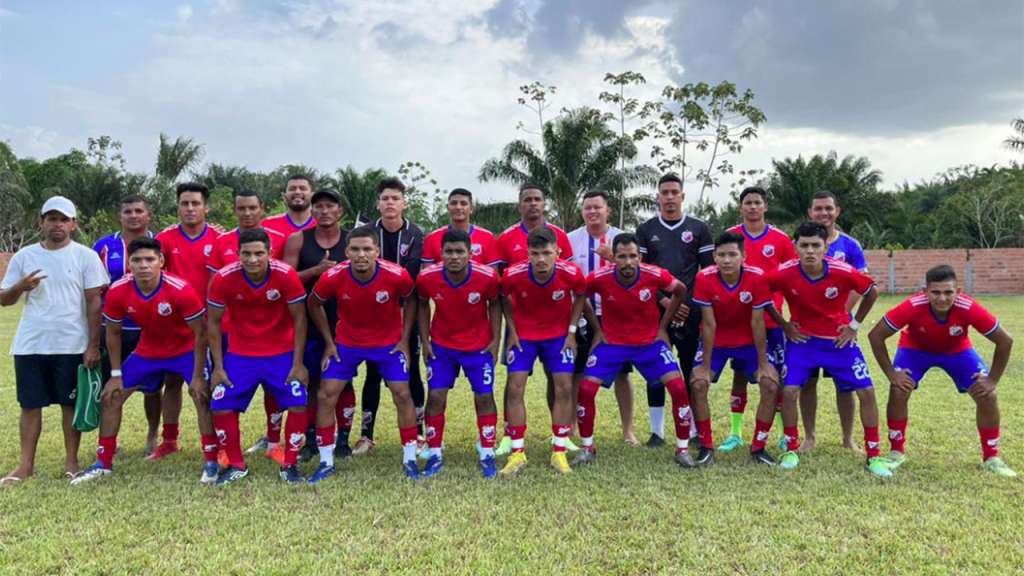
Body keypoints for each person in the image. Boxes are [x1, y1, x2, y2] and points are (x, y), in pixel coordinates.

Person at [71, 238, 215, 484]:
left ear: (161, 261)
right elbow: (113, 333)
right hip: (148, 351)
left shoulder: (180, 289)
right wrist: (115, 376)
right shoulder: (118, 290)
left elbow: (200, 333)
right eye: (137, 260)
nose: (143, 265)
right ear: (130, 263)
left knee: (202, 396)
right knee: (111, 396)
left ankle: (212, 460)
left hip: (186, 350)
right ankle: (103, 462)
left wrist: (199, 375)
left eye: (149, 260)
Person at [764, 222, 890, 477]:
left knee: (866, 391)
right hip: (803, 344)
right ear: (796, 247)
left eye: (815, 245)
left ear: (825, 248)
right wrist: (784, 324)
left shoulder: (842, 271)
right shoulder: (784, 272)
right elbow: (761, 294)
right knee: (789, 391)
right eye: (804, 245)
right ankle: (791, 448)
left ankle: (874, 455)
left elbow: (871, 291)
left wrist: (853, 325)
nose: (810, 250)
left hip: (839, 343)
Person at [868, 265, 1015, 477]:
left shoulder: (968, 307)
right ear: (925, 291)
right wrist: (892, 374)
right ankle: (896, 452)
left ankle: (992, 456)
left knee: (988, 395)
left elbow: (1005, 340)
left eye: (948, 292)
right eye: (936, 292)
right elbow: (875, 335)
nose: (942, 298)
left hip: (957, 351)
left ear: (959, 291)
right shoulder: (912, 305)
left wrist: (992, 379)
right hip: (915, 350)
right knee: (898, 389)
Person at [1, 196, 108, 485]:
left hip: (72, 344)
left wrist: (93, 344)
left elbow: (94, 302)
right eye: (51, 219)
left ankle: (71, 462)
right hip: (31, 344)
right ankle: (25, 466)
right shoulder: (24, 257)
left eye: (63, 219)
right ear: (41, 222)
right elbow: (4, 300)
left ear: (73, 224)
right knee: (30, 405)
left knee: (69, 405)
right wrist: (20, 286)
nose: (57, 225)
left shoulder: (85, 256)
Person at [306, 226, 419, 481]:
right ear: (346, 252)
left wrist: (404, 339)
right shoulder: (333, 276)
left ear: (377, 251)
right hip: (346, 343)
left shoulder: (396, 274)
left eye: (367, 249)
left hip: (388, 344)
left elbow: (412, 299)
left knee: (402, 394)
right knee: (326, 396)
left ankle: (410, 458)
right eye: (355, 249)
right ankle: (325, 462)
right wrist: (329, 342)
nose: (361, 254)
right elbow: (314, 303)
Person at [574, 233, 696, 468]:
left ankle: (682, 449)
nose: (628, 262)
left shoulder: (654, 274)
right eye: (622, 256)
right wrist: (597, 329)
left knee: (679, 388)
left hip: (649, 343)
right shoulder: (599, 277)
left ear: (640, 257)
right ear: (614, 258)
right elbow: (580, 295)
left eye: (632, 256)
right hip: (612, 344)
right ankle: (587, 447)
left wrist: (663, 327)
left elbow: (680, 290)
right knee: (586, 390)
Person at [206, 228, 309, 486]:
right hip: (241, 354)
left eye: (259, 253)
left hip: (281, 352)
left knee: (298, 401)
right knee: (221, 404)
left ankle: (290, 465)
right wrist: (218, 367)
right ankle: (236, 464)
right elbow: (214, 324)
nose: (252, 259)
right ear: (238, 254)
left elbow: (299, 319)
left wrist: (298, 363)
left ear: (270, 253)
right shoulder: (223, 278)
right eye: (246, 254)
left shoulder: (286, 275)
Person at [207, 189, 289, 465]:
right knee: (227, 390)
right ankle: (226, 449)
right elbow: (213, 284)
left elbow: (285, 282)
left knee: (273, 389)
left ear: (262, 209)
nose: (247, 213)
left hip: (272, 331)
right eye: (241, 208)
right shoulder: (221, 241)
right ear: (235, 210)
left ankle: (273, 441)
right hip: (233, 331)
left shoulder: (278, 239)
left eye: (252, 208)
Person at [494, 183, 575, 455]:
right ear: (520, 204)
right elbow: (501, 286)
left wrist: (572, 329)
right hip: (521, 325)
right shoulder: (505, 238)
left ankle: (560, 435)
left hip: (557, 326)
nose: (532, 204)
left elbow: (573, 280)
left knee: (558, 379)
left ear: (544, 203)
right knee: (514, 380)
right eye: (527, 199)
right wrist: (511, 326)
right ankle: (509, 434)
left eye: (537, 199)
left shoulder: (560, 236)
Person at [498, 227, 587, 476]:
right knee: (515, 387)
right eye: (535, 253)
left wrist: (571, 331)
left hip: (558, 338)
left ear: (557, 252)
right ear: (527, 253)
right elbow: (502, 296)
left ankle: (559, 451)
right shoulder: (513, 274)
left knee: (564, 387)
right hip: (524, 337)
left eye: (546, 253)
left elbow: (581, 295)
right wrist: (512, 330)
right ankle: (517, 453)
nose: (540, 259)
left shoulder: (571, 273)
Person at [416, 228, 502, 478]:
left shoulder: (487, 277)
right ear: (441, 254)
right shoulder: (427, 277)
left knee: (484, 397)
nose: (454, 257)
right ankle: (435, 454)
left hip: (478, 347)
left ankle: (487, 453)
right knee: (435, 397)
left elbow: (495, 304)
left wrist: (495, 340)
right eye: (448, 252)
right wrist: (425, 340)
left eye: (459, 252)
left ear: (470, 253)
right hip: (442, 346)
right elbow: (421, 304)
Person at [636, 173, 713, 448]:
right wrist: (664, 300)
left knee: (690, 370)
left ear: (682, 196)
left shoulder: (699, 228)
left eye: (674, 192)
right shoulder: (645, 230)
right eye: (664, 192)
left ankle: (692, 430)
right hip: (656, 311)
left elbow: (708, 273)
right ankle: (657, 432)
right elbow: (639, 273)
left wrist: (692, 307)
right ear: (657, 197)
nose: (669, 197)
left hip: (690, 312)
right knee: (656, 371)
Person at [690, 231, 780, 466]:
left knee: (770, 384)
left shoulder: (757, 277)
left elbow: (757, 322)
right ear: (714, 257)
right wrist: (705, 367)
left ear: (744, 256)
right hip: (716, 342)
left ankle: (758, 447)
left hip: (748, 342)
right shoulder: (704, 278)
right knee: (698, 383)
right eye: (721, 255)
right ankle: (706, 447)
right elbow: (708, 324)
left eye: (732, 254)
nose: (727, 260)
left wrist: (763, 365)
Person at [353, 177, 426, 457]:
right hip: (372, 315)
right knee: (372, 374)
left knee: (412, 373)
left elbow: (411, 276)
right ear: (378, 203)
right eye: (385, 198)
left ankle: (418, 433)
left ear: (404, 203)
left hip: (406, 313)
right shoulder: (367, 232)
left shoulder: (416, 234)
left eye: (395, 198)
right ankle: (366, 435)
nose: (390, 203)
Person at [721, 186, 796, 452]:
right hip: (737, 321)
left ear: (765, 206)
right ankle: (735, 432)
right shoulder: (731, 236)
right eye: (747, 203)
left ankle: (777, 433)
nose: (752, 207)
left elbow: (792, 276)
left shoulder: (781, 239)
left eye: (757, 203)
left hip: (771, 321)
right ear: (741, 207)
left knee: (775, 377)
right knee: (740, 375)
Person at [93, 195, 164, 457]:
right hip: (111, 328)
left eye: (138, 211)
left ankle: (152, 435)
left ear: (149, 215)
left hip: (150, 328)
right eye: (127, 211)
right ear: (119, 215)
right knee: (111, 385)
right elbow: (92, 288)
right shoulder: (103, 245)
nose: (133, 216)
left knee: (153, 388)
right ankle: (111, 439)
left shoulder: (161, 242)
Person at [283, 188, 351, 461]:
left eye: (330, 206)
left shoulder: (351, 240)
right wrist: (315, 271)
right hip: (309, 321)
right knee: (310, 382)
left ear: (340, 212)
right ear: (312, 211)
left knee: (342, 383)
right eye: (318, 206)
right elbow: (286, 281)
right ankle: (311, 439)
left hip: (345, 320)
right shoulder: (298, 240)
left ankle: (343, 439)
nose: (324, 211)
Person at [801, 190, 869, 452]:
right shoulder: (803, 242)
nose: (823, 213)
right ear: (810, 213)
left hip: (840, 329)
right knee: (807, 382)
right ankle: (809, 437)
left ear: (837, 211)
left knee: (846, 384)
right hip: (807, 330)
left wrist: (841, 315)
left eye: (828, 208)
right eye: (818, 209)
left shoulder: (850, 246)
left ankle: (848, 438)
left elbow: (861, 285)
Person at [567, 190, 637, 445]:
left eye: (597, 207)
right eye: (588, 208)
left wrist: (613, 259)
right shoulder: (570, 239)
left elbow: (636, 271)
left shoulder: (621, 238)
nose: (592, 212)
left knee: (622, 373)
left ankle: (628, 429)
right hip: (582, 312)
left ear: (607, 210)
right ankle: (572, 426)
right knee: (577, 371)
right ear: (582, 211)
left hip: (617, 315)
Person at [421, 188, 499, 267]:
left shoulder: (488, 238)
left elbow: (492, 275)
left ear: (471, 208)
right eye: (454, 203)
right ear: (448, 208)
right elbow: (428, 275)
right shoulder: (432, 238)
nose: (458, 207)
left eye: (463, 203)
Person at [261, 173, 317, 239]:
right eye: (292, 189)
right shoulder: (266, 225)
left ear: (313, 195)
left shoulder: (322, 224)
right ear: (284, 196)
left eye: (302, 188)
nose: (297, 192)